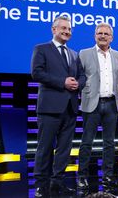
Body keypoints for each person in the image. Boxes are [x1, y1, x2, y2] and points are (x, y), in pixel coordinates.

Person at [31, 15, 83, 197]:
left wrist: (78, 83)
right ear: (53, 29)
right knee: (44, 147)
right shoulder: (42, 49)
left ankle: (57, 182)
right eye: (63, 28)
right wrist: (63, 82)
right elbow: (36, 73)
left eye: (69, 29)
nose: (67, 31)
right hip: (49, 108)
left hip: (70, 108)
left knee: (64, 149)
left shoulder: (74, 54)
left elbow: (82, 76)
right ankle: (40, 184)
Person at [77, 23, 118, 189]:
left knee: (109, 143)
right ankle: (82, 176)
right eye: (99, 33)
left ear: (111, 37)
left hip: (111, 103)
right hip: (92, 103)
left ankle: (108, 176)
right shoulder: (84, 53)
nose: (102, 36)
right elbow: (80, 77)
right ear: (94, 35)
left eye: (106, 34)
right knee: (87, 142)